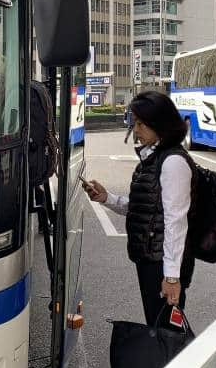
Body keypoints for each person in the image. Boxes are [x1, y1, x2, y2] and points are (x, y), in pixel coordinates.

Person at [83, 91, 194, 325]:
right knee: (158, 326)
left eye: (141, 123)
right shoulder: (154, 157)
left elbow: (175, 221)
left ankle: (172, 362)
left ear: (159, 124)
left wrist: (172, 277)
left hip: (161, 265)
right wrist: (107, 198)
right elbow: (145, 208)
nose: (136, 130)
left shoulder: (173, 162)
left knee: (165, 331)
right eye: (135, 123)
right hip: (149, 259)